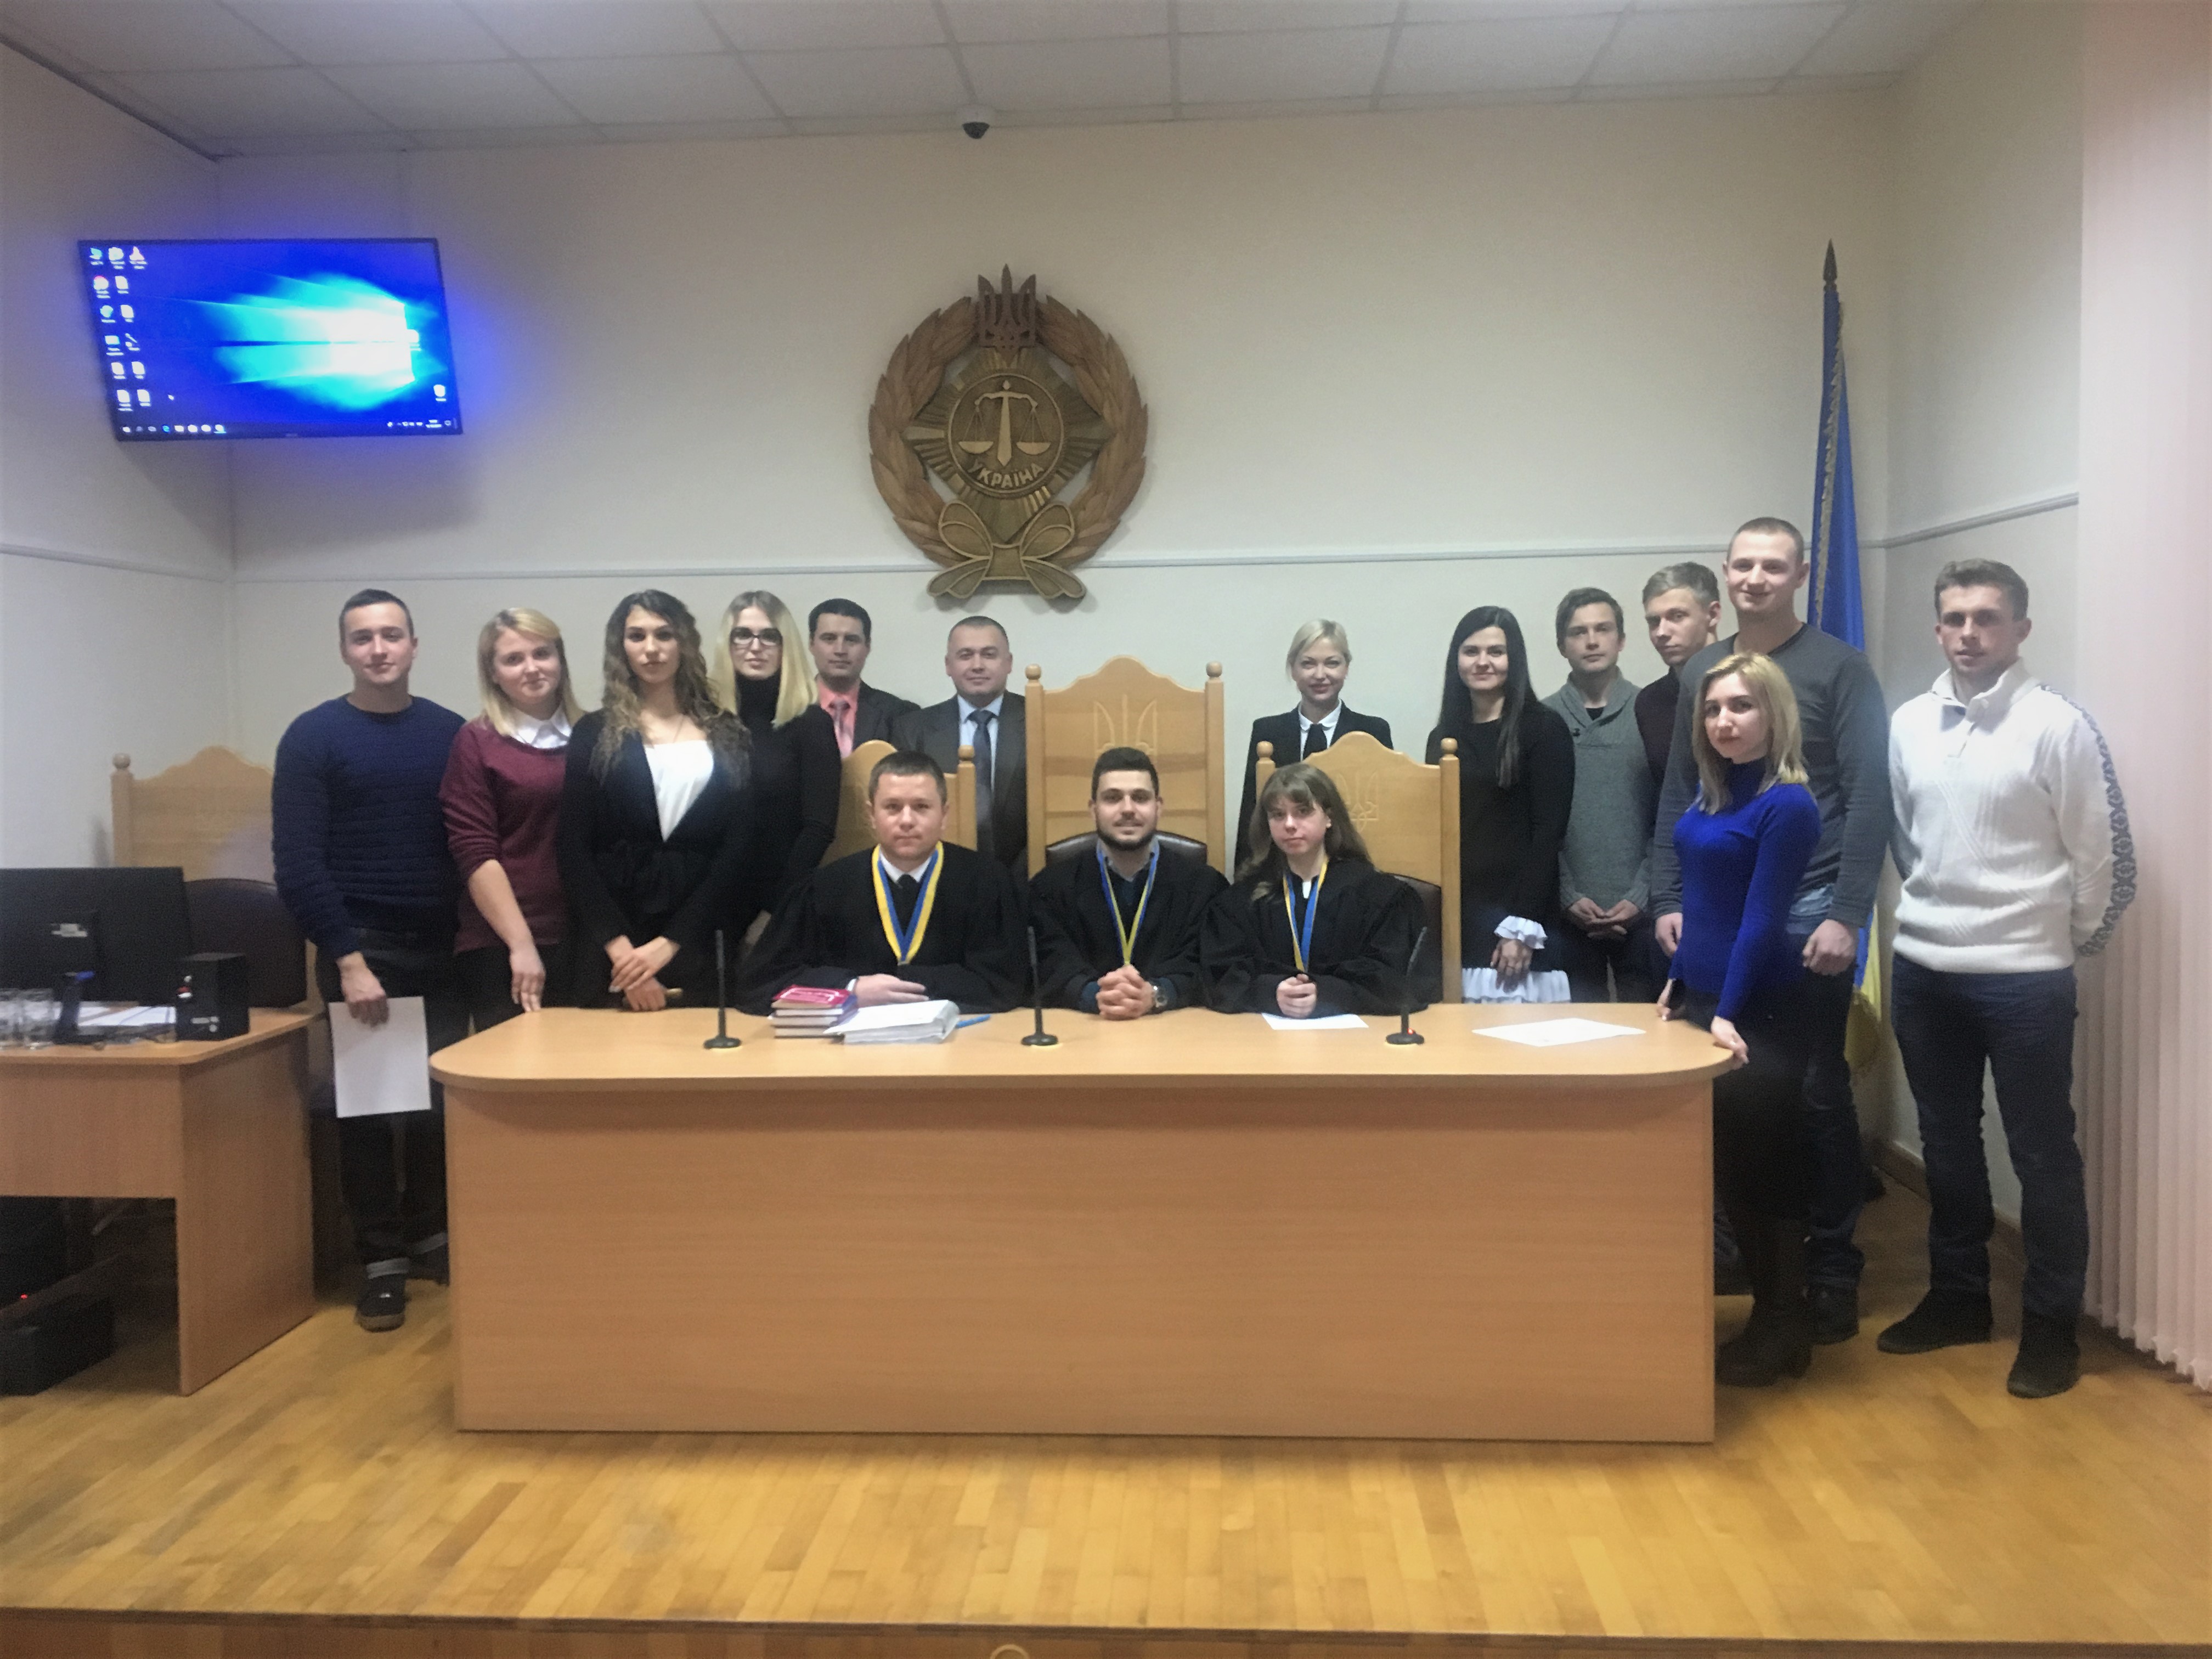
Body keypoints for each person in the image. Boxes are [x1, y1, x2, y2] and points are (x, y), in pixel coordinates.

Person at [1880, 560, 2134, 1399]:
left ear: (2021, 629)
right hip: (1925, 970)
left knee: (2042, 1153)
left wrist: (2054, 942)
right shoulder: (1909, 723)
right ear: (1938, 628)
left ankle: (2051, 1330)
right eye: (1954, 618)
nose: (1969, 634)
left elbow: (2100, 858)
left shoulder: (2059, 725)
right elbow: (1911, 836)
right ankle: (1959, 1300)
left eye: (1987, 618)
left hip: (2025, 980)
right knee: (1948, 1144)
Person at [1649, 518, 1892, 1343]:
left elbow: (1868, 796)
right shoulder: (1704, 673)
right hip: (1723, 912)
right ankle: (1756, 1266)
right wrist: (1669, 895)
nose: (1756, 578)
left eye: (1773, 566)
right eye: (1743, 565)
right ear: (1726, 575)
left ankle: (1830, 1272)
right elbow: (1682, 791)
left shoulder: (1840, 668)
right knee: (1739, 1104)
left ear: (1801, 574)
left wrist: (1848, 913)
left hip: (1807, 908)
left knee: (1815, 1096)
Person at [272, 588, 466, 1334]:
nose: (379, 649)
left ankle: (429, 1236)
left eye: (391, 635)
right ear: (345, 650)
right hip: (365, 949)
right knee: (376, 1110)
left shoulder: (450, 733)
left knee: (437, 1105)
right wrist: (348, 959)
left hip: (444, 945)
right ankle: (380, 1261)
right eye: (363, 638)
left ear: (414, 645)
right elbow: (298, 864)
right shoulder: (313, 738)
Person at [1658, 653, 1822, 1386]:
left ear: (1774, 714)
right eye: (1714, 708)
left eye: (1742, 706)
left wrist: (1725, 1011)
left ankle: (1787, 1326)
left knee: (1767, 1169)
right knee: (1731, 1167)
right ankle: (1768, 1317)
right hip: (1708, 999)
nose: (1724, 720)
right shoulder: (1714, 793)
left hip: (1760, 1006)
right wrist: (1679, 980)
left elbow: (1760, 920)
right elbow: (1706, 905)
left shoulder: (1788, 805)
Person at [557, 591, 752, 1011]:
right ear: (620, 647)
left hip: (697, 939)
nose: (651, 648)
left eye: (664, 635)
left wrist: (670, 945)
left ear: (685, 643)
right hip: (612, 949)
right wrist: (625, 957)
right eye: (637, 636)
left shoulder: (728, 733)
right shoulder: (594, 733)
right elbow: (573, 848)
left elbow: (736, 852)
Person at [737, 749, 1026, 1014]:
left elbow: (1005, 985)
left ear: (944, 815)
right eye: (893, 807)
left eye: (921, 807)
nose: (907, 820)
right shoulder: (824, 888)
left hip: (960, 1041)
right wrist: (850, 989)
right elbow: (762, 984)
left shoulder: (987, 882)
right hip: (847, 1046)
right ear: (871, 815)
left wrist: (906, 986)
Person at [439, 607, 582, 1029]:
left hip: (583, 939)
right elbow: (474, 852)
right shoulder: (477, 742)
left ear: (560, 660)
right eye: (514, 659)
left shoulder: (593, 735)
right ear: (494, 673)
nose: (531, 668)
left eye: (542, 654)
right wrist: (522, 945)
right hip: (504, 947)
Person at [1425, 607, 1575, 998]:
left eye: (1496, 652)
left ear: (1515, 659)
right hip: (1460, 915)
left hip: (1520, 915)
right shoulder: (1443, 738)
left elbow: (1549, 834)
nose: (1483, 662)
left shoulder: (1544, 728)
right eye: (1471, 651)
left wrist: (1522, 927)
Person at [1200, 761, 1424, 1018]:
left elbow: (1399, 980)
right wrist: (1270, 992)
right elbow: (1218, 975)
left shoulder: (1379, 895)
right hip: (1263, 1034)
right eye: (1277, 815)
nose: (1289, 824)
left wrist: (1328, 993)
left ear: (1329, 817)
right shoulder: (1241, 901)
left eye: (1303, 812)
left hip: (1359, 1035)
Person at [1030, 746, 1229, 1016]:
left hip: (1175, 1031)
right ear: (1093, 809)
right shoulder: (1050, 888)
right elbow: (1049, 963)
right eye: (1113, 798)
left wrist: (1158, 993)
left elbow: (1208, 966)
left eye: (1140, 798)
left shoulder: (1204, 887)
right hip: (1085, 1029)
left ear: (1158, 807)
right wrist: (1094, 995)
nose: (1127, 809)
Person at [1543, 587, 1656, 1002]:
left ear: (1621, 639)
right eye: (1579, 632)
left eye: (1603, 629)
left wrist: (1641, 896)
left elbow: (1671, 816)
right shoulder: (1541, 721)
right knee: (1577, 1033)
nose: (1592, 641)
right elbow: (1534, 825)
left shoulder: (1653, 712)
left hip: (1644, 913)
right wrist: (1567, 896)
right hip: (1567, 915)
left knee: (1649, 1031)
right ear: (1562, 646)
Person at [719, 589, 839, 937]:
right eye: (743, 634)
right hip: (708, 903)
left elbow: (818, 829)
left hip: (781, 905)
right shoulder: (707, 721)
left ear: (786, 646)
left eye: (770, 636)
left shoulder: (811, 723)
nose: (755, 647)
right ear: (727, 643)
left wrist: (773, 914)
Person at [1235, 620, 1393, 842]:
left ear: (1346, 668)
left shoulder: (1373, 732)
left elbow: (1388, 816)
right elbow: (1252, 817)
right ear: (1293, 669)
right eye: (1308, 664)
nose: (1320, 675)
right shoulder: (1267, 732)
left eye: (1332, 663)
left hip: (1354, 855)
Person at [893, 616, 1027, 874]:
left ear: (1009, 663)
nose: (977, 665)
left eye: (989, 655)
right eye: (966, 655)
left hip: (1028, 874)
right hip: (942, 874)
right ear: (948, 665)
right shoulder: (912, 730)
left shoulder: (1040, 720)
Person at [1635, 561, 1724, 793]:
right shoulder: (1649, 702)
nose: (1662, 632)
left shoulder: (1749, 685)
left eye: (1677, 616)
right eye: (1654, 621)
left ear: (1713, 614)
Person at [807, 597, 918, 755]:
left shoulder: (902, 715)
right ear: (811, 644)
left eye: (851, 640)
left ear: (868, 646)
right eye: (829, 639)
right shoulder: (785, 710)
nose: (840, 650)